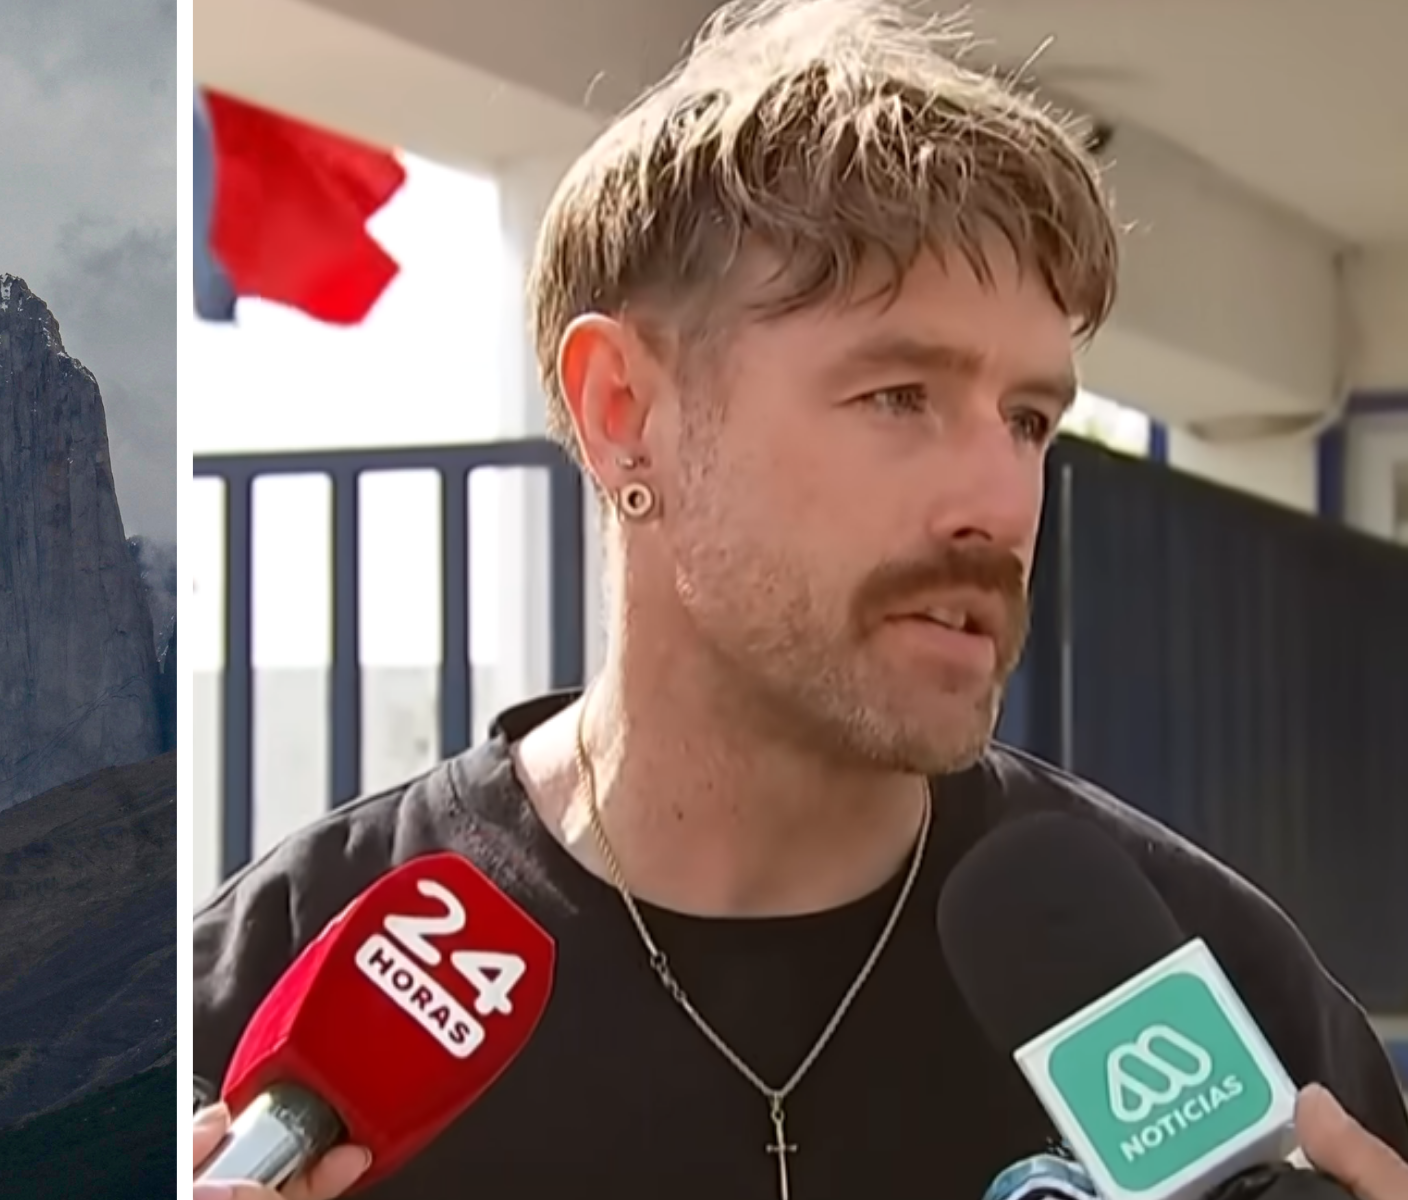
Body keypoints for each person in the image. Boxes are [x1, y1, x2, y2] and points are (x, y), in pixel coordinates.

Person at [190, 0, 1408, 1196]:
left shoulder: (1216, 996)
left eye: (1030, 420)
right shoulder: (258, 1014)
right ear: (627, 414)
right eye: (898, 396)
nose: (1000, 501)